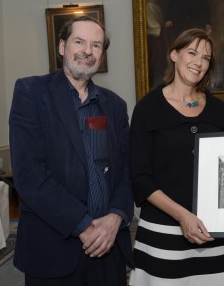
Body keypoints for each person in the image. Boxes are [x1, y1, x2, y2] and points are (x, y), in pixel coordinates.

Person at [9, 16, 134, 285]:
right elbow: (29, 175)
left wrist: (115, 218)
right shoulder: (31, 93)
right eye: (80, 42)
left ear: (102, 56)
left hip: (108, 248)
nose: (88, 51)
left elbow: (126, 170)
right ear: (62, 47)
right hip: (52, 249)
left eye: (96, 45)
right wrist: (84, 226)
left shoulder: (115, 106)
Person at [129, 28, 224, 285]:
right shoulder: (147, 108)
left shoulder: (217, 108)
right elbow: (140, 178)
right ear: (174, 54)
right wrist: (182, 216)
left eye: (206, 58)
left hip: (211, 231)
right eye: (192, 52)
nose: (198, 62)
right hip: (162, 232)